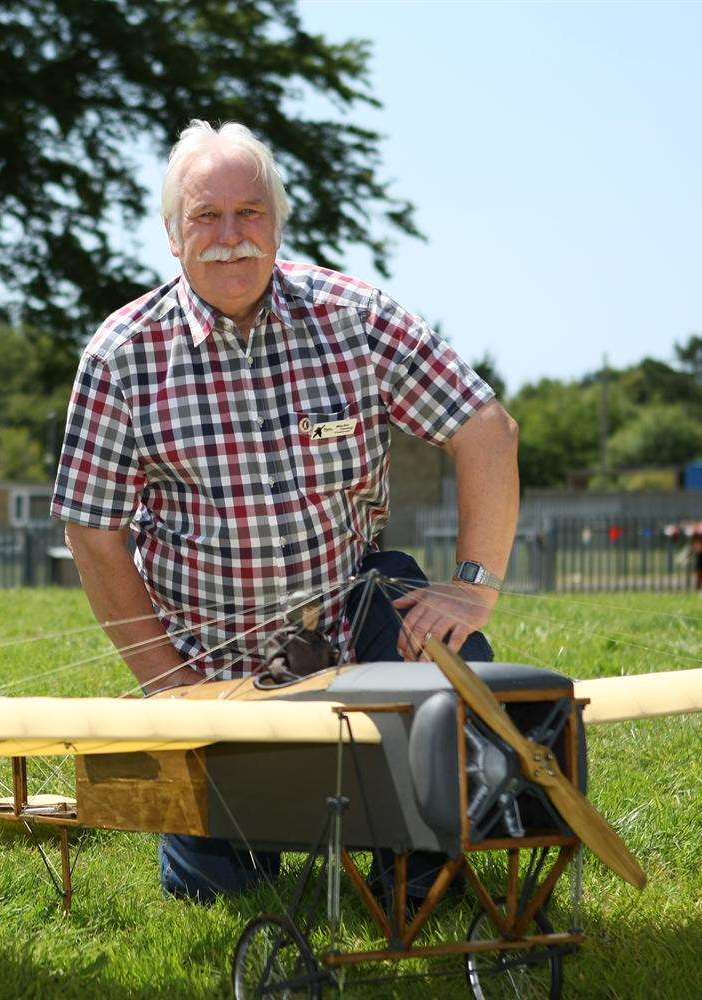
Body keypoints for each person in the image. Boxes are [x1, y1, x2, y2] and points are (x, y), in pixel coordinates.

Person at [52, 121, 520, 903]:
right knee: (221, 898)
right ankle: (247, 837)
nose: (231, 238)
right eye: (205, 217)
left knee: (450, 718)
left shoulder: (355, 317)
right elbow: (93, 532)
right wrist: (171, 687)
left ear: (278, 223)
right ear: (173, 236)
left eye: (251, 213)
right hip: (211, 670)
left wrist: (471, 589)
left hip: (359, 628)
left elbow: (486, 431)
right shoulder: (120, 355)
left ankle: (419, 869)